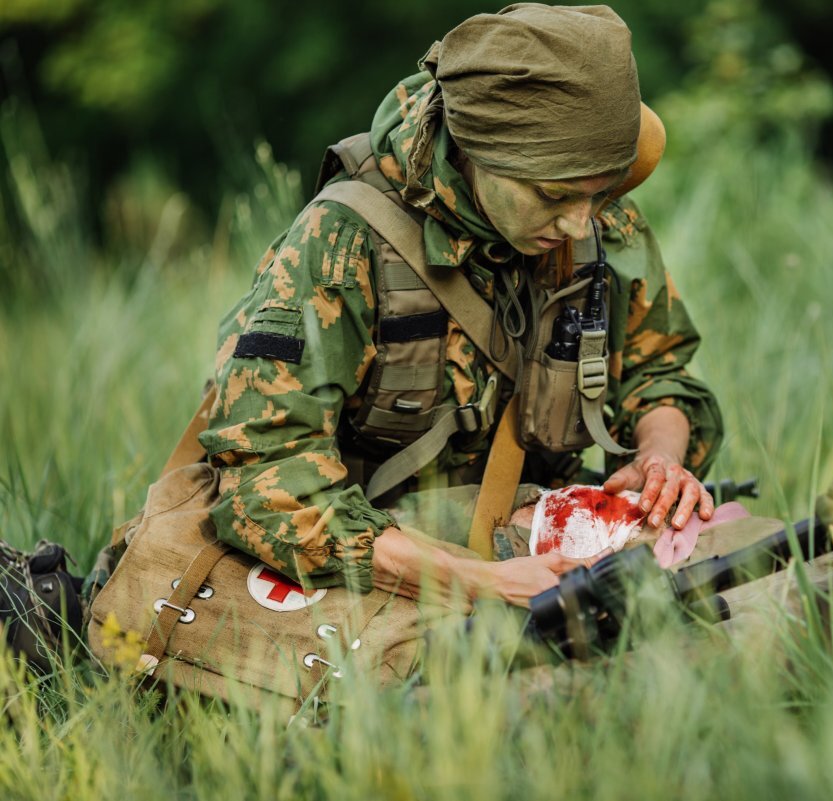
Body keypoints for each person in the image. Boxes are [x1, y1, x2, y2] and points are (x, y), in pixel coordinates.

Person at [197, 4, 723, 609]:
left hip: (542, 547)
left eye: (602, 191)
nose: (582, 221)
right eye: (554, 194)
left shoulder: (593, 218)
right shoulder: (345, 241)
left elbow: (661, 377)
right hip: (375, 570)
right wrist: (481, 583)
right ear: (478, 152)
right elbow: (267, 477)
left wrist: (661, 458)